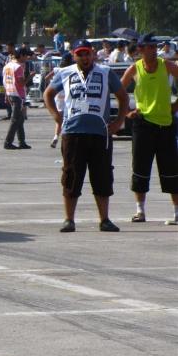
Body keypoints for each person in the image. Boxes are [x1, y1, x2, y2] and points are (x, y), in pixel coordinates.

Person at [43, 39, 129, 233]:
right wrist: (57, 116)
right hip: (73, 132)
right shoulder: (65, 73)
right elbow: (48, 94)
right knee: (71, 175)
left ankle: (104, 219)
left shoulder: (105, 72)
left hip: (100, 132)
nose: (84, 57)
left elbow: (123, 96)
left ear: (93, 54)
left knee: (102, 176)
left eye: (87, 53)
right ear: (74, 55)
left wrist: (117, 123)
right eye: (80, 54)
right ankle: (69, 219)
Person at [120, 33, 178, 225]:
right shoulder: (135, 68)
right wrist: (127, 111)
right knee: (140, 168)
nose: (153, 50)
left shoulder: (167, 65)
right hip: (143, 124)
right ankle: (140, 211)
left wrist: (176, 105)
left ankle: (177, 212)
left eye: (155, 47)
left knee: (171, 169)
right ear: (141, 50)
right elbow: (119, 89)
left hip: (165, 124)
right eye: (149, 47)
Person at [3, 48, 32, 149]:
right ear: (21, 55)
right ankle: (8, 142)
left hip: (10, 92)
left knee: (20, 119)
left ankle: (21, 141)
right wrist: (30, 77)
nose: (27, 58)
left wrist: (6, 95)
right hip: (17, 95)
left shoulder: (7, 66)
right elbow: (21, 83)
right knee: (15, 119)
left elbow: (5, 81)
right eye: (26, 56)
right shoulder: (18, 67)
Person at [44, 52, 75, 148]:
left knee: (59, 119)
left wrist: (52, 84)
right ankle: (65, 136)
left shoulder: (57, 69)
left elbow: (46, 77)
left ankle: (56, 136)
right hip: (67, 95)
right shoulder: (71, 70)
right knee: (68, 117)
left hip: (58, 95)